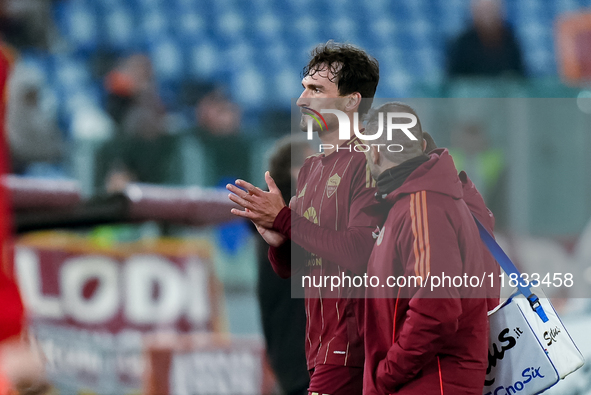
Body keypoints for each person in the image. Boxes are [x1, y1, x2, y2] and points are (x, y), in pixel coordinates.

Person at [227, 41, 381, 395]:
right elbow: (299, 267)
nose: (302, 100)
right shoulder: (314, 170)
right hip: (319, 348)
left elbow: (359, 251)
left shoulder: (370, 162)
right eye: (303, 89)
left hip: (355, 347)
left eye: (316, 90)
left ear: (351, 101)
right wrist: (281, 245)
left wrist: (284, 220)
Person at [362, 102, 491, 394]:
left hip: (427, 383)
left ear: (374, 151)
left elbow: (436, 309)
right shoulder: (423, 200)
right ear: (420, 145)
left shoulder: (422, 204)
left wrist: (385, 375)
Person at [256, 137, 313, 395]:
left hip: (291, 358)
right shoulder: (292, 215)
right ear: (294, 170)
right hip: (303, 359)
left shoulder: (276, 216)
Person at [446, 0, 525, 78]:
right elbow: (454, 79)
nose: (487, 16)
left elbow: (519, 75)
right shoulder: (462, 43)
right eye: (483, 12)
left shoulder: (509, 40)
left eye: (491, 10)